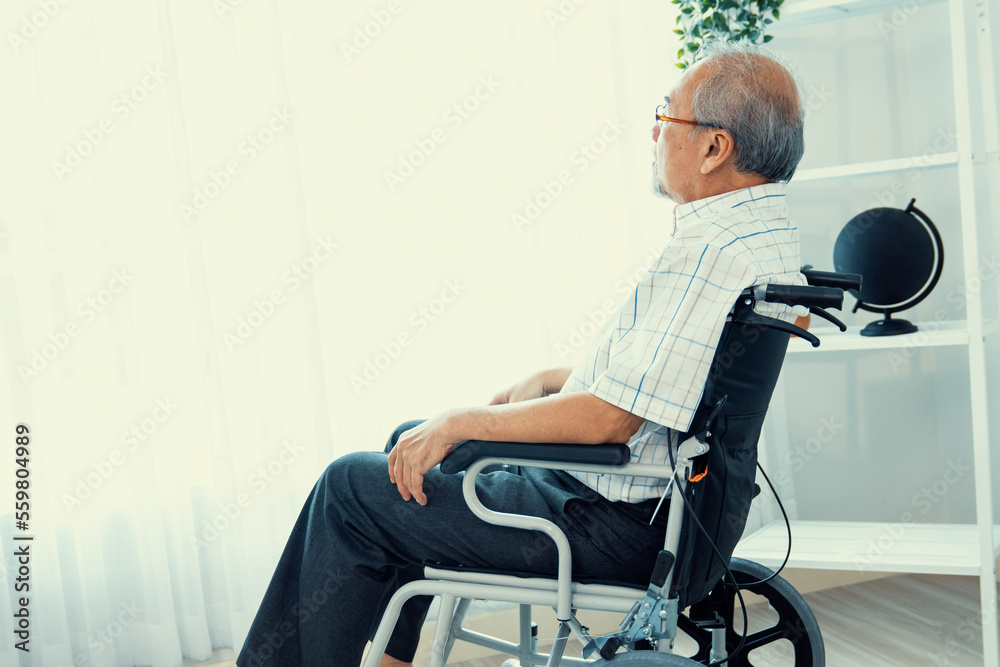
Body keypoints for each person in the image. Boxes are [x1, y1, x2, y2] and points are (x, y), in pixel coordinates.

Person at [237, 40, 807, 667]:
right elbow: (681, 376)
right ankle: (393, 661)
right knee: (409, 443)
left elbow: (613, 421)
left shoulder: (708, 252)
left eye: (667, 115)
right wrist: (560, 377)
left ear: (713, 147)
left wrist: (466, 421)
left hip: (607, 523)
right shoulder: (759, 237)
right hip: (655, 507)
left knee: (351, 486)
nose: (653, 130)